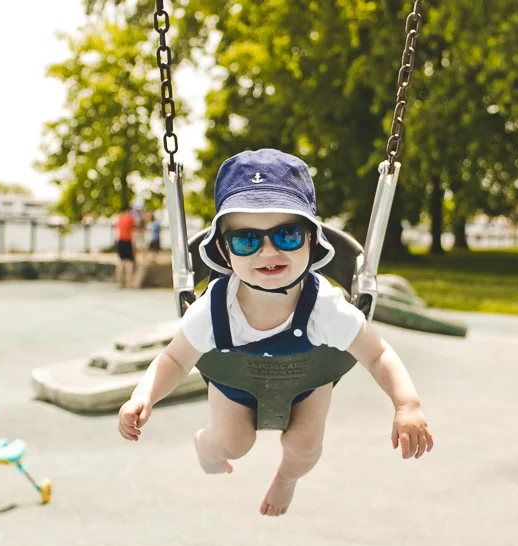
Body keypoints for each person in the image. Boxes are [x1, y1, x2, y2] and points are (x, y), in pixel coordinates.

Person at [118, 149, 432, 516]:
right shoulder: (215, 307)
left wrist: (407, 404)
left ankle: (286, 479)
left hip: (308, 381)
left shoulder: (325, 306)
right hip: (232, 382)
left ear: (312, 240)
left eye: (286, 234)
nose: (268, 252)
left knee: (306, 447)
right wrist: (144, 395)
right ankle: (206, 446)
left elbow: (377, 354)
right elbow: (173, 358)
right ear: (223, 248)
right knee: (233, 442)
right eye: (247, 240)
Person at [115, 205, 135, 287]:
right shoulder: (130, 218)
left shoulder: (118, 218)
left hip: (120, 241)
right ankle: (128, 283)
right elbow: (135, 226)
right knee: (129, 262)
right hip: (128, 240)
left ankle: (119, 282)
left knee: (120, 261)